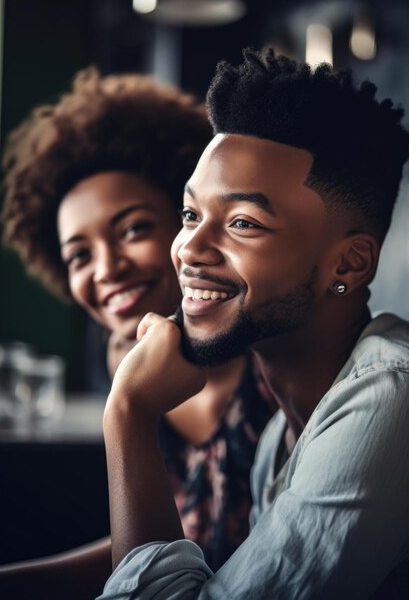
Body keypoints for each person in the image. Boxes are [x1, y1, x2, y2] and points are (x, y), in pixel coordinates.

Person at [98, 48, 409, 599]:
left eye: (243, 223)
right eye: (192, 214)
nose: (189, 248)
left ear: (350, 264)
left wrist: (129, 412)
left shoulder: (390, 398)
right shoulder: (280, 437)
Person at [0, 69, 276, 599]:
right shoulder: (129, 355)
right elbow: (173, 541)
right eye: (79, 255)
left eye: (133, 229)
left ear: (191, 224)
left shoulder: (269, 354)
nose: (106, 269)